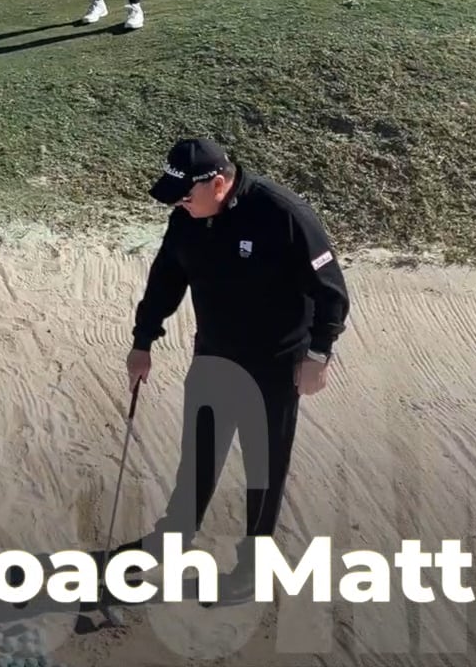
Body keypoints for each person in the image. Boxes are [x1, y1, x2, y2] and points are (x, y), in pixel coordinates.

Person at [115, 138, 351, 605]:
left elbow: (332, 292)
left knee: (265, 469)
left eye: (185, 195)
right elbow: (165, 278)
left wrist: (319, 356)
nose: (179, 205)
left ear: (218, 185)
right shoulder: (188, 217)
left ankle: (253, 571)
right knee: (199, 457)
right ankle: (173, 539)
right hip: (214, 356)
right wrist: (143, 342)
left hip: (276, 366)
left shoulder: (283, 213)